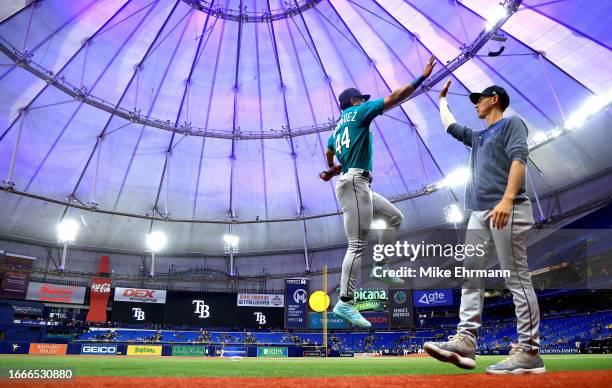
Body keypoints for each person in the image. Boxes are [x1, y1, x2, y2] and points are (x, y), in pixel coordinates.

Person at [423, 79, 545, 374]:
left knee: (516, 276)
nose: (476, 103)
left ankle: (529, 350)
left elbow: (519, 159)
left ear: (494, 99)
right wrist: (441, 102)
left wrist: (507, 199)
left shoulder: (511, 124)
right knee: (471, 275)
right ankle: (465, 340)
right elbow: (451, 127)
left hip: (507, 206)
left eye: (479, 98)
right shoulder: (479, 137)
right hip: (479, 211)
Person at [320, 56, 437, 328]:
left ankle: (380, 267)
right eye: (361, 99)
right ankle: (345, 302)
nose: (364, 101)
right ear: (353, 102)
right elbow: (395, 97)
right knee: (357, 244)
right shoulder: (359, 112)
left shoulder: (337, 127)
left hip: (356, 181)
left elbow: (328, 150)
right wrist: (422, 77)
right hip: (355, 183)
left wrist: (332, 169)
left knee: (395, 217)